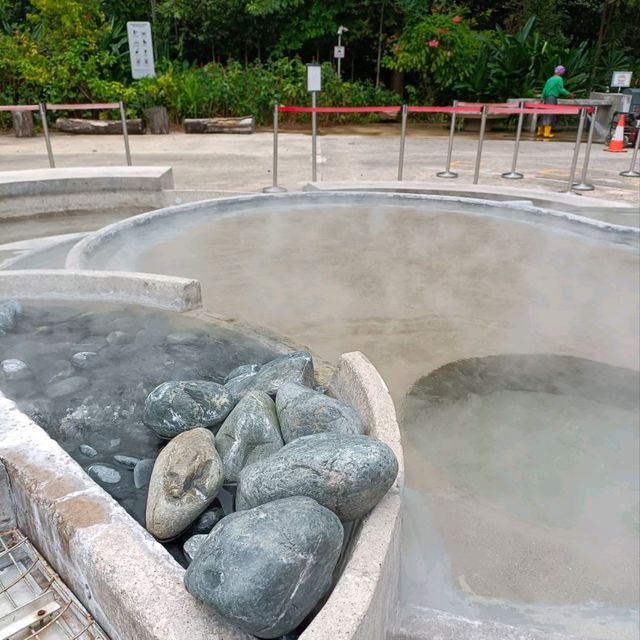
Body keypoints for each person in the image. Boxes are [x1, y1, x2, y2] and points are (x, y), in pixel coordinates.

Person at [537, 65, 573, 138]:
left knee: (544, 113)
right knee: (550, 114)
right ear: (561, 72)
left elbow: (544, 89)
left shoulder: (550, 79)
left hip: (546, 98)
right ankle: (546, 133)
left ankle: (540, 131)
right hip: (552, 97)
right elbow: (560, 89)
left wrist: (541, 98)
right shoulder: (559, 79)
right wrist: (568, 93)